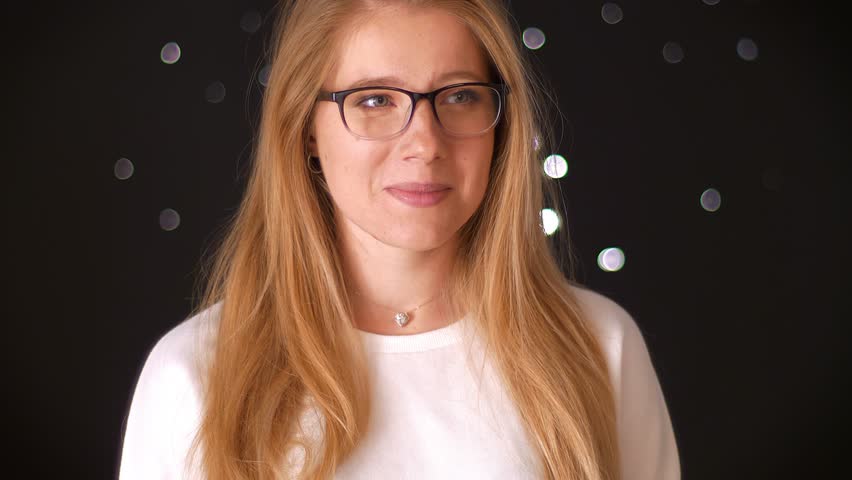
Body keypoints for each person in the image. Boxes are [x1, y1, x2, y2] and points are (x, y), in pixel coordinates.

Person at [118, 0, 681, 479]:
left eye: (459, 96)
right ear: (306, 130)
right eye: (374, 100)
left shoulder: (600, 345)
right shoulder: (195, 375)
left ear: (500, 122)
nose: (425, 143)